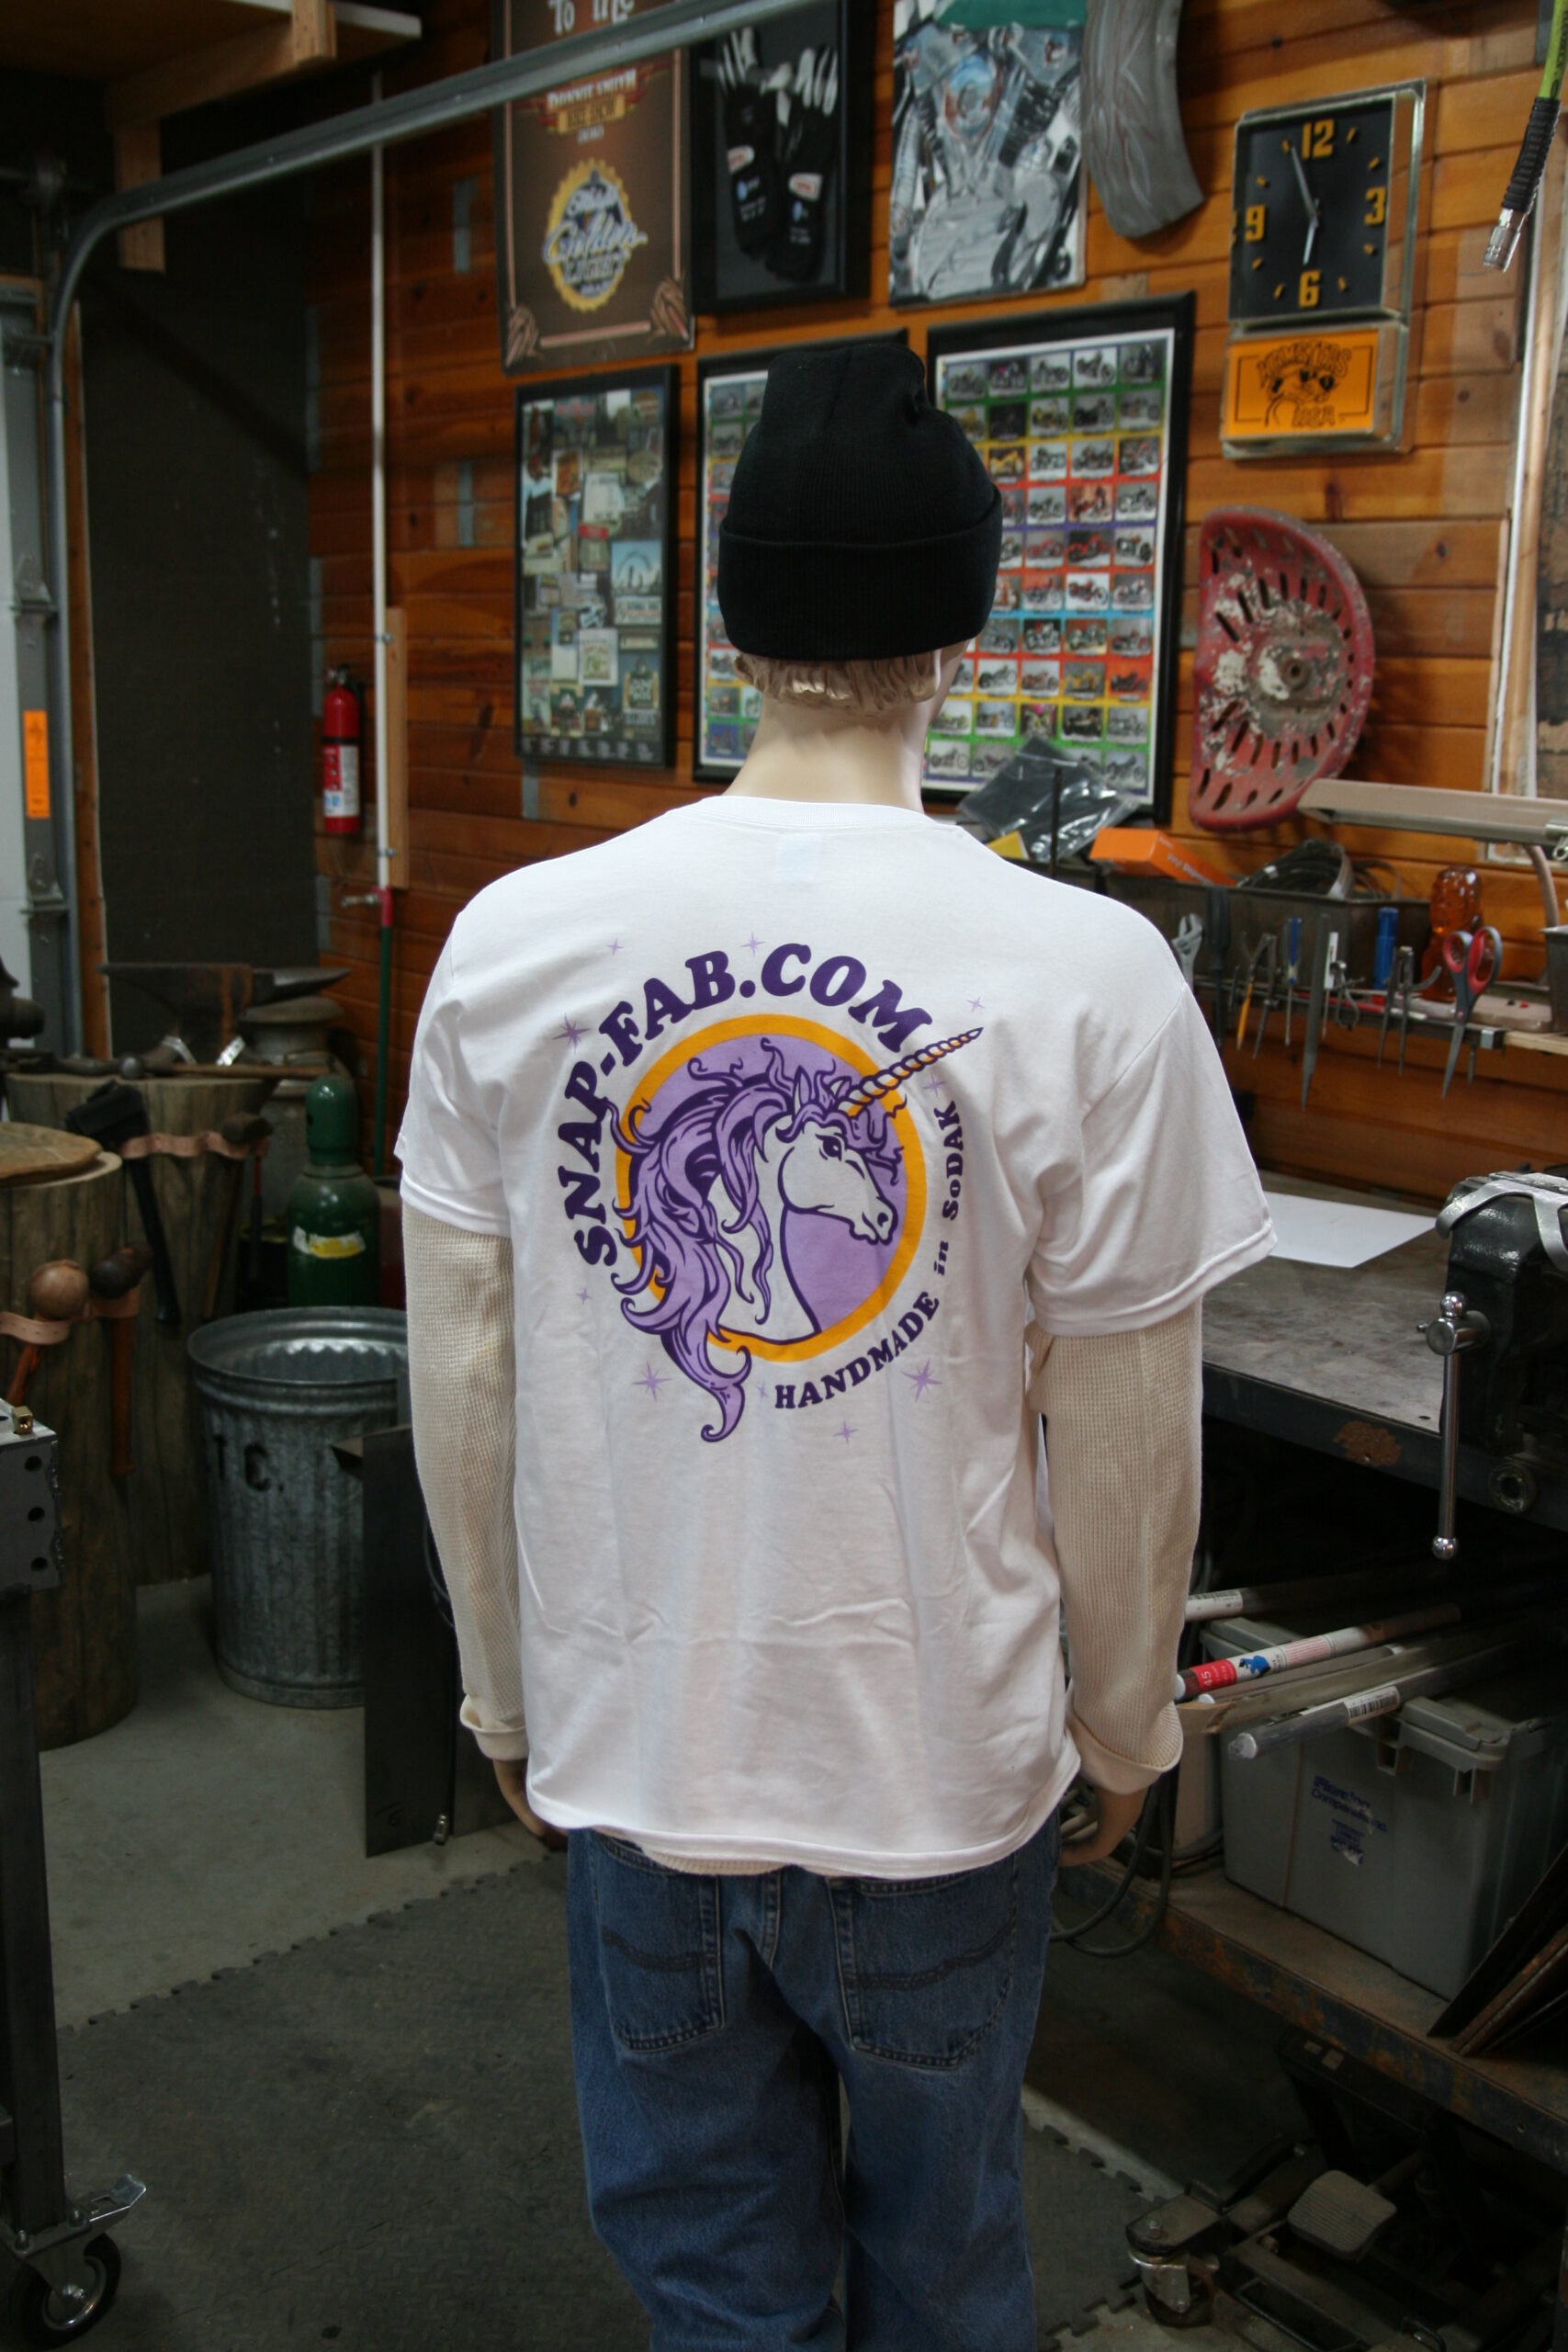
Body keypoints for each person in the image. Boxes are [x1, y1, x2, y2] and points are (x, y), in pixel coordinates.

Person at [399, 341, 1272, 2352]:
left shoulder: (515, 943)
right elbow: (1130, 1433)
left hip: (642, 1764)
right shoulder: (1091, 973)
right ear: (963, 633)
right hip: (939, 1781)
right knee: (947, 2274)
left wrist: (501, 1695)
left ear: (733, 624)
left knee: (720, 2297)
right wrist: (1126, 1724)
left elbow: (460, 1370)